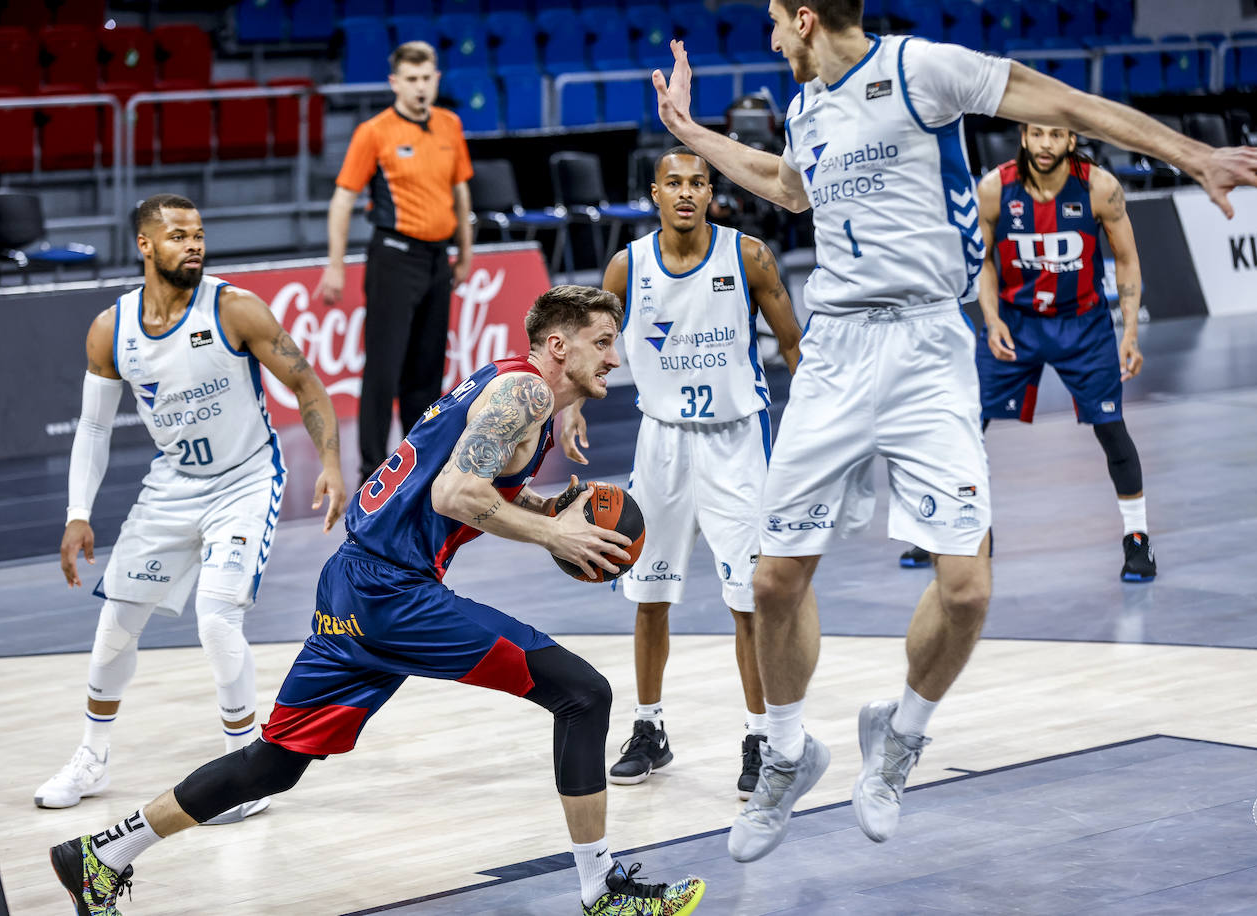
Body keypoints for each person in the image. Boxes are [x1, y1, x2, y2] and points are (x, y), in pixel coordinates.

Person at [651, 0, 1257, 863]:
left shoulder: (925, 70)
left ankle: (901, 736)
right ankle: (788, 756)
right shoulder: (806, 109)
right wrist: (694, 132)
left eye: (773, 22)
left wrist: (1192, 153)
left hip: (926, 346)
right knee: (772, 583)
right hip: (836, 350)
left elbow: (1065, 106)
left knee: (967, 590)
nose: (768, 41)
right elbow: (791, 187)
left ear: (805, 19)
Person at [50, 286, 707, 916]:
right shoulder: (527, 393)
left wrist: (544, 510)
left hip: (354, 585)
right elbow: (456, 496)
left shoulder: (501, 382)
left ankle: (101, 854)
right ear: (559, 346)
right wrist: (553, 531)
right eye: (603, 342)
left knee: (274, 763)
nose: (614, 358)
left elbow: (453, 487)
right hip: (394, 591)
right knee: (583, 693)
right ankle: (601, 892)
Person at [40, 194, 347, 824]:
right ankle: (92, 758)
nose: (196, 245)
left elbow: (307, 383)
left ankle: (245, 768)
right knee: (116, 625)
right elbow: (93, 432)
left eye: (200, 234)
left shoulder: (234, 308)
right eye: (179, 236)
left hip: (245, 479)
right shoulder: (112, 328)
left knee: (216, 617)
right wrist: (78, 511)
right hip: (171, 485)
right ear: (146, 246)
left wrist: (333, 464)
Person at [557, 148, 802, 799]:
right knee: (650, 595)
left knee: (746, 600)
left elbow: (796, 344)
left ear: (710, 191)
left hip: (735, 445)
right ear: (656, 193)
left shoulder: (747, 256)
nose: (687, 192)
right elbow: (591, 343)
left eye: (698, 182)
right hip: (660, 445)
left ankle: (761, 736)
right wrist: (575, 401)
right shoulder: (626, 264)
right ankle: (649, 727)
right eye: (675, 183)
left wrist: (815, 432)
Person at [900, 125, 1156, 581]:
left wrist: (1130, 332)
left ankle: (1137, 539)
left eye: (1056, 136)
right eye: (1036, 134)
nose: (1044, 145)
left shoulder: (1100, 187)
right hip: (1015, 323)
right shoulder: (996, 188)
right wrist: (992, 318)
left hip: (1084, 322)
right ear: (1023, 136)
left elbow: (1129, 260)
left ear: (1072, 141)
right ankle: (957, 527)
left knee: (1111, 430)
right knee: (966, 427)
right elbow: (983, 261)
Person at [316, 39, 475, 485]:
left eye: (427, 78)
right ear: (394, 83)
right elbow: (342, 200)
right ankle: (371, 469)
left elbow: (460, 192)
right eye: (411, 80)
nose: (420, 87)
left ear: (436, 79)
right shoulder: (374, 131)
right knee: (384, 369)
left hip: (436, 260)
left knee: (428, 369)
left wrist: (465, 250)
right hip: (393, 258)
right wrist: (335, 265)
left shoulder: (449, 124)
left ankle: (418, 463)